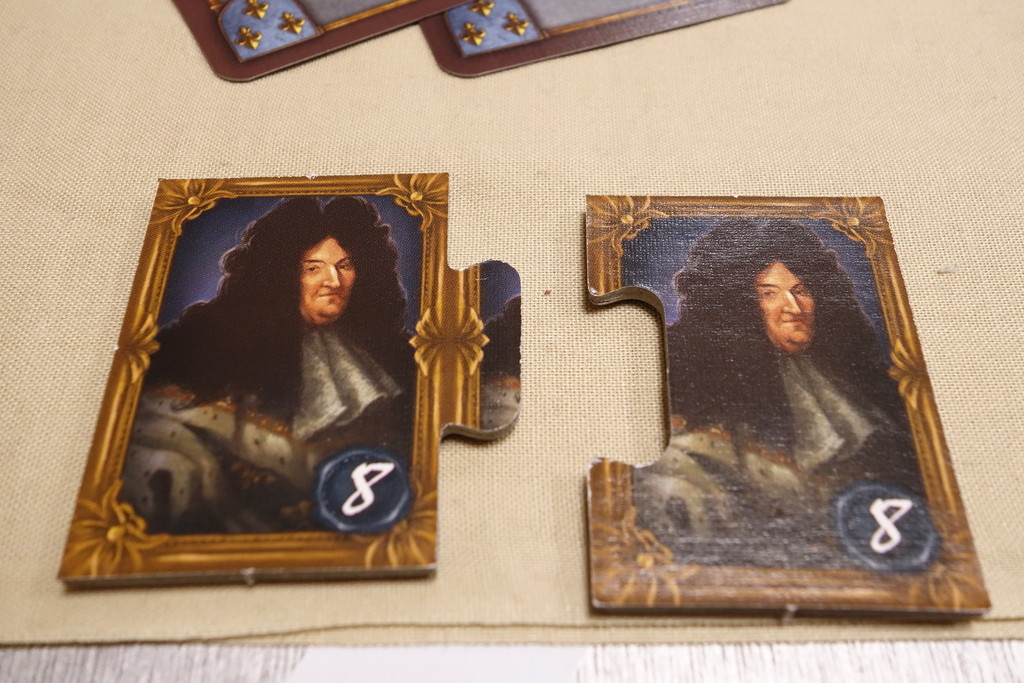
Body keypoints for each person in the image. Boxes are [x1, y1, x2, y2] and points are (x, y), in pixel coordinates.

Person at [635, 218, 924, 568]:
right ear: (735, 303)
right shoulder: (693, 378)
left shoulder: (855, 381)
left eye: (801, 290)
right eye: (768, 293)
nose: (794, 309)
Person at [121, 196, 414, 534]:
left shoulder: (386, 355)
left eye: (345, 265)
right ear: (283, 275)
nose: (334, 281)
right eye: (313, 268)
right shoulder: (216, 340)